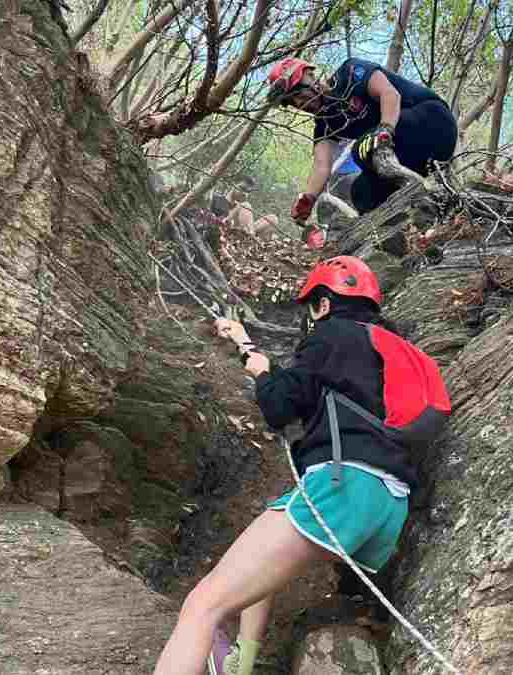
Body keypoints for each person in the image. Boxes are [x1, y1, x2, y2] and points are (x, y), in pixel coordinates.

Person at [150, 257, 421, 675]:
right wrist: (247, 346)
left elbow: (280, 405)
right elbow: (314, 390)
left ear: (324, 304)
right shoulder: (391, 347)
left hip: (341, 486)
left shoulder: (330, 335)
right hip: (389, 502)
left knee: (202, 605)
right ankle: (241, 662)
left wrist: (256, 369)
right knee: (262, 551)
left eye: (312, 307)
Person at [267, 57, 457, 223]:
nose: (300, 105)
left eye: (299, 95)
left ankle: (422, 189)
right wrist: (307, 200)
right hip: (415, 158)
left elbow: (390, 94)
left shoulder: (349, 73)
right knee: (361, 194)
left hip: (435, 121)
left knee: (362, 149)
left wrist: (385, 130)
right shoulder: (324, 123)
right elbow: (321, 165)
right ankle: (411, 226)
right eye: (294, 103)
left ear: (310, 76)